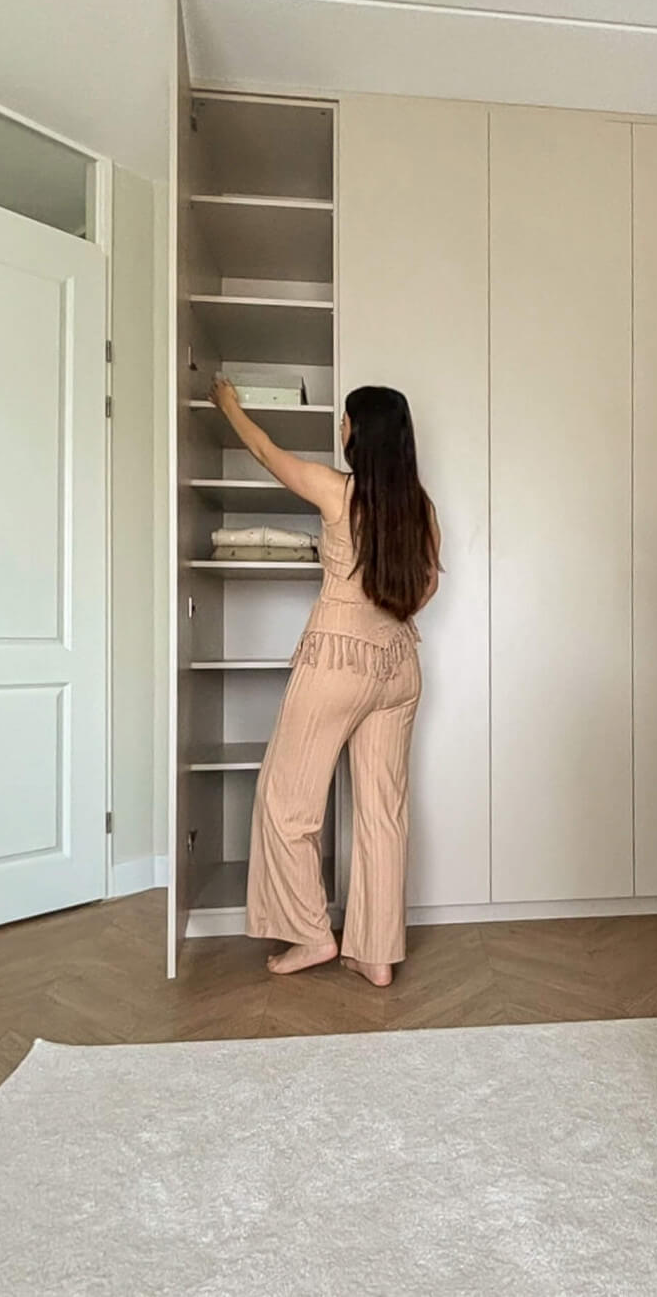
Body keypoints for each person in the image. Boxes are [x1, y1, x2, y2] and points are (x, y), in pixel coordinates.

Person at [209, 379, 440, 987]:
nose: (340, 430)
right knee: (383, 812)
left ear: (361, 434)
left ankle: (313, 935)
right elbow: (424, 591)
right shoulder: (420, 507)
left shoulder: (339, 493)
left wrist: (229, 405)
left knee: (287, 801)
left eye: (344, 422)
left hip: (338, 660)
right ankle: (377, 953)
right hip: (399, 663)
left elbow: (265, 453)